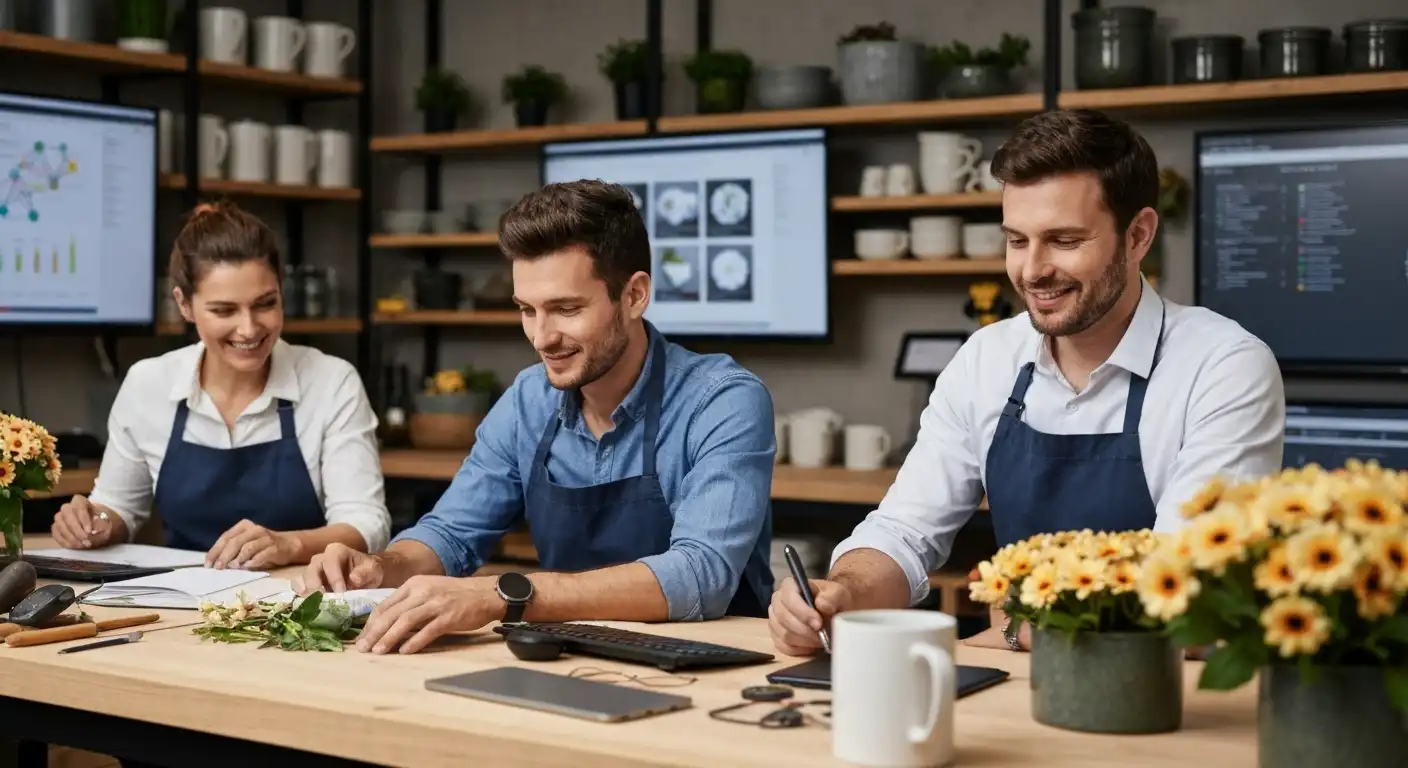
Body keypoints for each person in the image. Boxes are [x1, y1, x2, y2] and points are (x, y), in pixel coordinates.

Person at [768, 108, 1285, 656]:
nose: (1033, 270)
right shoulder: (987, 359)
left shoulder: (1223, 367)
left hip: (1165, 702)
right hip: (1019, 693)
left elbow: (1179, 587)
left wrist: (1015, 627)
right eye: (1017, 240)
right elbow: (902, 532)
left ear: (1138, 236)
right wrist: (840, 596)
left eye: (1064, 240)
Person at [299, 179, 777, 655]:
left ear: (634, 296)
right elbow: (450, 533)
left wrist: (501, 594)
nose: (542, 337)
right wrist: (379, 567)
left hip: (715, 667)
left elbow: (701, 574)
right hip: (571, 655)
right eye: (527, 310)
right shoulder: (529, 399)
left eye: (566, 309)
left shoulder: (722, 400)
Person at [48, 201, 390, 569]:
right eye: (224, 311)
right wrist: (91, 523)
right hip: (182, 603)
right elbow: (119, 510)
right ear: (184, 305)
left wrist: (289, 545)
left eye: (265, 304)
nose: (248, 328)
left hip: (300, 603)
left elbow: (366, 523)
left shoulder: (331, 382)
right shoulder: (148, 384)